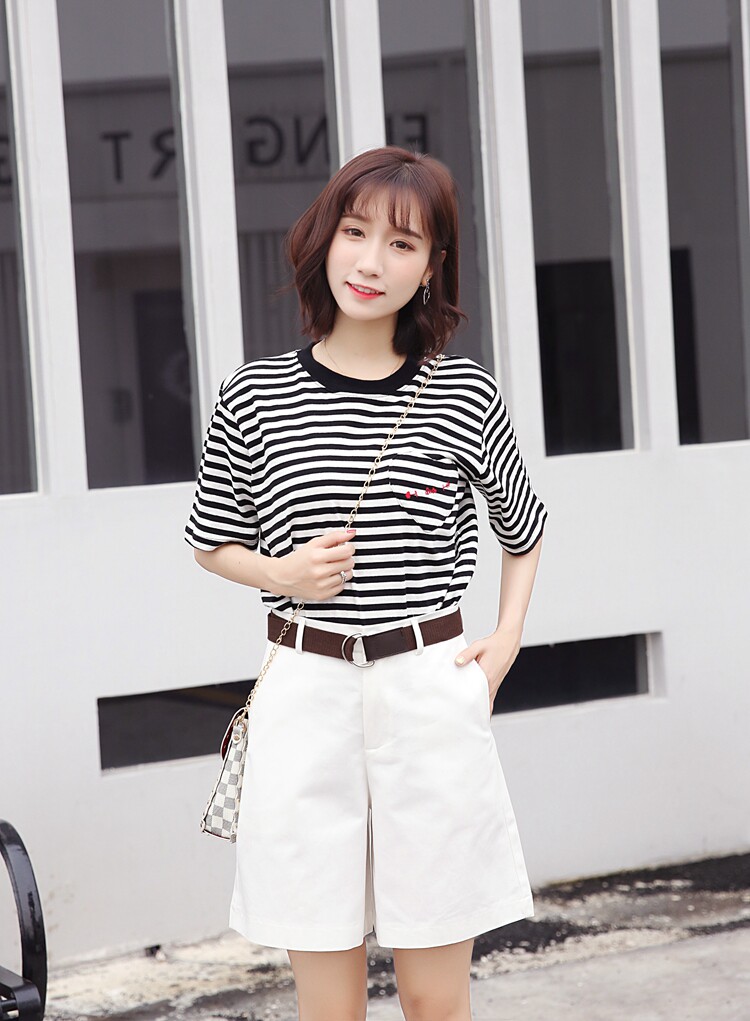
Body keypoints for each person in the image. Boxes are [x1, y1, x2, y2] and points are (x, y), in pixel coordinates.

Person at [184, 145, 548, 1021]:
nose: (371, 262)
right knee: (330, 1005)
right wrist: (281, 572)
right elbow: (209, 541)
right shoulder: (255, 393)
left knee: (433, 996)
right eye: (355, 233)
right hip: (305, 690)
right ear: (325, 240)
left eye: (402, 244)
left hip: (427, 688)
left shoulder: (463, 393)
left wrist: (504, 641)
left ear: (431, 267)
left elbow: (524, 527)